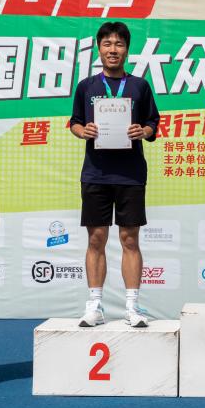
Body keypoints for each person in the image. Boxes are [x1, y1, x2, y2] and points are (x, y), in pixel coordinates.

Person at [70, 21, 160, 328]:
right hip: (95, 173)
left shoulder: (139, 86)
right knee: (96, 239)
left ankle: (132, 306)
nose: (113, 49)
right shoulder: (86, 86)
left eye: (119, 44)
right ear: (99, 48)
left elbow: (153, 124)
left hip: (130, 174)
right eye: (107, 44)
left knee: (129, 239)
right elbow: (74, 122)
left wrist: (143, 130)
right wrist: (83, 131)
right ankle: (94, 305)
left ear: (127, 49)